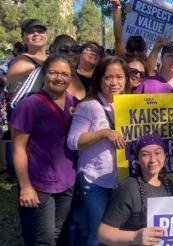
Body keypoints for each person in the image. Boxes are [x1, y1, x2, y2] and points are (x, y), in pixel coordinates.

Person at [11, 54, 76, 245]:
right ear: (44, 75)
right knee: (43, 240)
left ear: (71, 78)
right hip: (38, 185)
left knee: (59, 234)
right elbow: (18, 148)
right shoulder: (29, 106)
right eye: (54, 73)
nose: (59, 78)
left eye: (65, 74)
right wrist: (25, 187)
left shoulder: (73, 102)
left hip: (67, 182)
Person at [67, 56, 128, 246]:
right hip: (95, 180)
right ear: (99, 79)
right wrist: (103, 133)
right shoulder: (88, 106)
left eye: (119, 77)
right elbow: (72, 141)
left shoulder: (131, 104)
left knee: (119, 229)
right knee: (100, 229)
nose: (114, 82)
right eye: (108, 77)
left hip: (123, 180)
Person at [98, 134, 173, 245]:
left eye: (157, 153)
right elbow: (103, 233)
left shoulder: (169, 185)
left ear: (165, 156)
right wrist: (134, 237)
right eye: (145, 154)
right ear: (137, 160)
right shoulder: (127, 188)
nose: (152, 159)